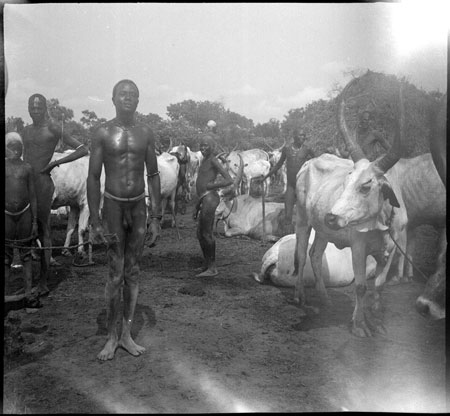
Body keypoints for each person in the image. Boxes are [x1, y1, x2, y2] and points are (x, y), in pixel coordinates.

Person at [87, 79, 161, 361]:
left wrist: (156, 217)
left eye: (133, 95)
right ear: (114, 99)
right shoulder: (103, 132)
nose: (128, 98)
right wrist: (95, 220)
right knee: (115, 273)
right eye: (123, 94)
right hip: (114, 207)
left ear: (138, 101)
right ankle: (111, 336)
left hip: (138, 208)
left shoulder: (145, 132)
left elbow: (153, 175)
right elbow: (93, 177)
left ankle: (127, 334)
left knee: (133, 271)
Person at [22, 93, 89, 296]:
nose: (35, 111)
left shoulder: (53, 128)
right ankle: (27, 282)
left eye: (38, 107)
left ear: (45, 108)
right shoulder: (24, 130)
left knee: (43, 230)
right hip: (25, 183)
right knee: (24, 231)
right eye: (31, 107)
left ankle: (43, 282)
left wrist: (54, 163)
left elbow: (82, 149)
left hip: (43, 184)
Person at [5, 132, 41, 310]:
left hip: (25, 214)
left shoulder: (27, 168)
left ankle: (29, 297)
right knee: (6, 257)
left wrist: (34, 221)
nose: (15, 150)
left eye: (18, 147)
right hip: (6, 215)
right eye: (11, 147)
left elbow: (33, 196)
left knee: (26, 256)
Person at [193, 134, 233, 277]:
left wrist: (211, 185)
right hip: (204, 198)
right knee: (200, 233)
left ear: (212, 147)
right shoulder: (205, 160)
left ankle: (212, 268)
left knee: (206, 233)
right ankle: (206, 264)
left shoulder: (214, 160)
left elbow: (229, 180)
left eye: (206, 145)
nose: (203, 148)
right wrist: (197, 205)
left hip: (210, 198)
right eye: (202, 145)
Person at [262, 129, 315, 234]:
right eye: (300, 135)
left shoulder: (307, 149)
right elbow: (278, 164)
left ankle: (305, 236)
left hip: (304, 187)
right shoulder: (287, 149)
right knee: (288, 214)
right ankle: (286, 236)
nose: (303, 138)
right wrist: (266, 176)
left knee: (304, 213)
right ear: (294, 136)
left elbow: (317, 162)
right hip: (291, 186)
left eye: (304, 136)